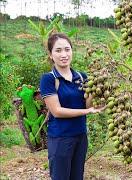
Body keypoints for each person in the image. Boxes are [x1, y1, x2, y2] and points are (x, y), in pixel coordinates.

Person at [40, 33, 105, 180]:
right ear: (51, 55)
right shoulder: (49, 79)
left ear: (72, 51)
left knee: (77, 177)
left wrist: (95, 90)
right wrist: (88, 111)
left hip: (81, 137)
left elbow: (88, 104)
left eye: (67, 49)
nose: (64, 54)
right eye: (58, 50)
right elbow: (57, 111)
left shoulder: (82, 77)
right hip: (60, 139)